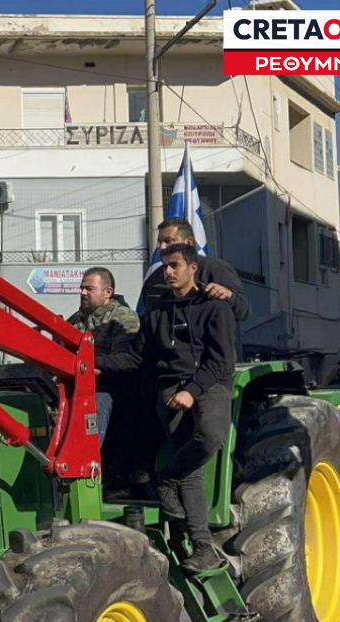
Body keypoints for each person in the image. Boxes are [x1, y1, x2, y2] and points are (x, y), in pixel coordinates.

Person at [97, 243, 236, 574]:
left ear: (193, 269)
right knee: (192, 471)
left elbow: (222, 361)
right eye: (164, 266)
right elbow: (135, 358)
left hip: (210, 384)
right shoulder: (156, 313)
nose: (168, 271)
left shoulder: (215, 308)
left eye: (174, 265)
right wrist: (92, 362)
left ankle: (165, 478)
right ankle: (202, 547)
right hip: (170, 389)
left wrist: (192, 390)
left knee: (210, 436)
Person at [67, 267, 139, 445]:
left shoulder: (122, 317)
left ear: (108, 292)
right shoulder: (75, 320)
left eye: (89, 289)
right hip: (76, 382)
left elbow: (125, 360)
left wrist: (89, 367)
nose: (83, 292)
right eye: (82, 288)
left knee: (94, 406)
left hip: (111, 387)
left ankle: (88, 463)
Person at [139, 218, 252, 322]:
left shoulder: (215, 269)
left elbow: (243, 311)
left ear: (189, 243)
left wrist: (229, 295)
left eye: (168, 241)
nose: (162, 247)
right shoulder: (155, 278)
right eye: (160, 242)